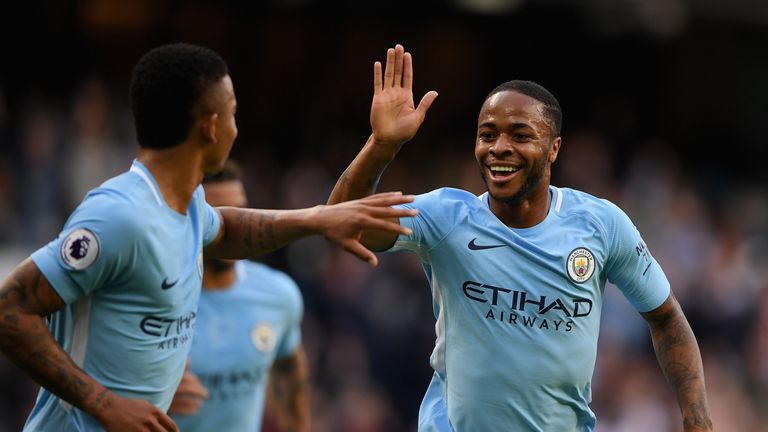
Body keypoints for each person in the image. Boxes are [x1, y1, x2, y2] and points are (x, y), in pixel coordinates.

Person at [0, 43, 417, 432]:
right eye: (233, 113)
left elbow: (228, 228)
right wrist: (106, 404)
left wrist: (318, 218)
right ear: (211, 127)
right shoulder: (119, 216)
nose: (237, 127)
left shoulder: (184, 206)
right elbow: (9, 311)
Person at [327, 44, 713, 431]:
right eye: (487, 134)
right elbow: (340, 224)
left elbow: (666, 319)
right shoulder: (445, 216)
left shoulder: (601, 225)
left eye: (520, 134)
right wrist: (382, 146)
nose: (499, 148)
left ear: (553, 149)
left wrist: (697, 419)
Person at [168, 161, 309, 432]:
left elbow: (290, 369)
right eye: (221, 216)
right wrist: (153, 397)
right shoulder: (156, 298)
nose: (236, 225)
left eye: (242, 211)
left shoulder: (278, 294)